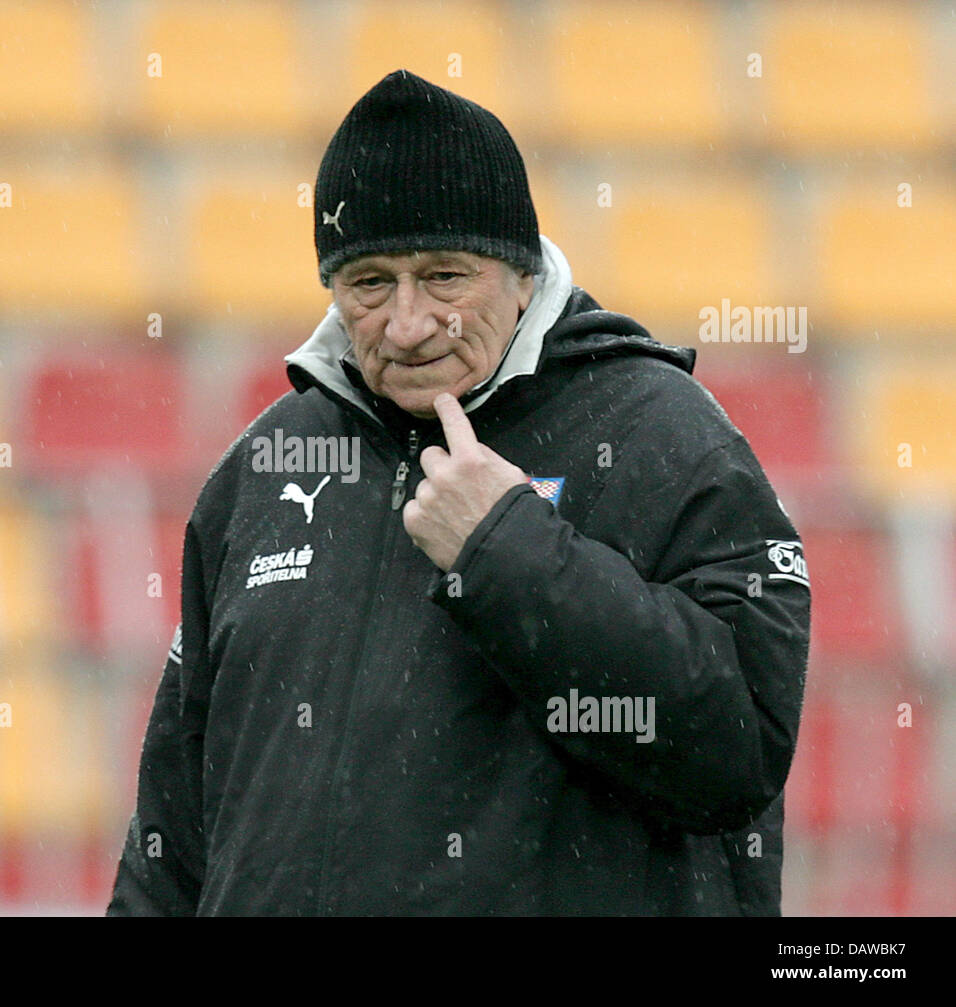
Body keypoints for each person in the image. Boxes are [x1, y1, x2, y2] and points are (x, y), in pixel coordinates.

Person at [106, 69, 811, 915]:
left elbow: (736, 751)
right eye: (370, 283)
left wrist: (509, 553)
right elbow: (170, 838)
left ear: (523, 273)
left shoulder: (667, 436)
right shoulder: (264, 467)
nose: (406, 324)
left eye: (444, 276)